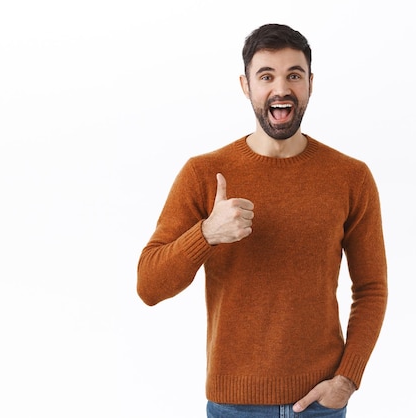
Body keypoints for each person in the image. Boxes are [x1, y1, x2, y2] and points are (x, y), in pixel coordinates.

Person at [137, 23, 387, 417]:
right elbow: (149, 286)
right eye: (266, 76)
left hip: (321, 402)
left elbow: (371, 288)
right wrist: (206, 234)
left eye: (294, 75)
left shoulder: (351, 177)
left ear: (310, 83)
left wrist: (347, 380)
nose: (281, 88)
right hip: (233, 406)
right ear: (245, 85)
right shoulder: (204, 173)